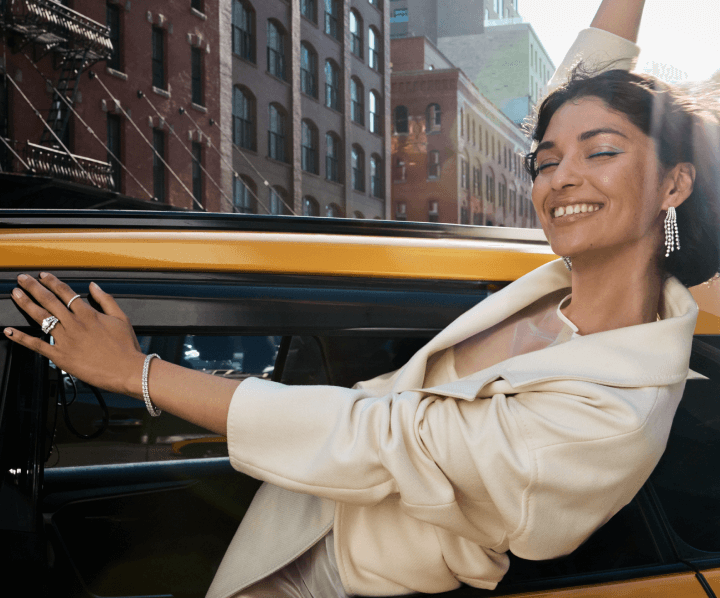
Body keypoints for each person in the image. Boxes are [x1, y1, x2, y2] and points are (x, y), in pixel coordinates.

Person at [5, 0, 720, 596]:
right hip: (302, 516)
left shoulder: (613, 416)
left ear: (676, 183)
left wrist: (137, 374)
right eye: (546, 161)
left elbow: (376, 438)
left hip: (331, 579)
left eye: (601, 152)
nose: (561, 178)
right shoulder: (572, 281)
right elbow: (591, 85)